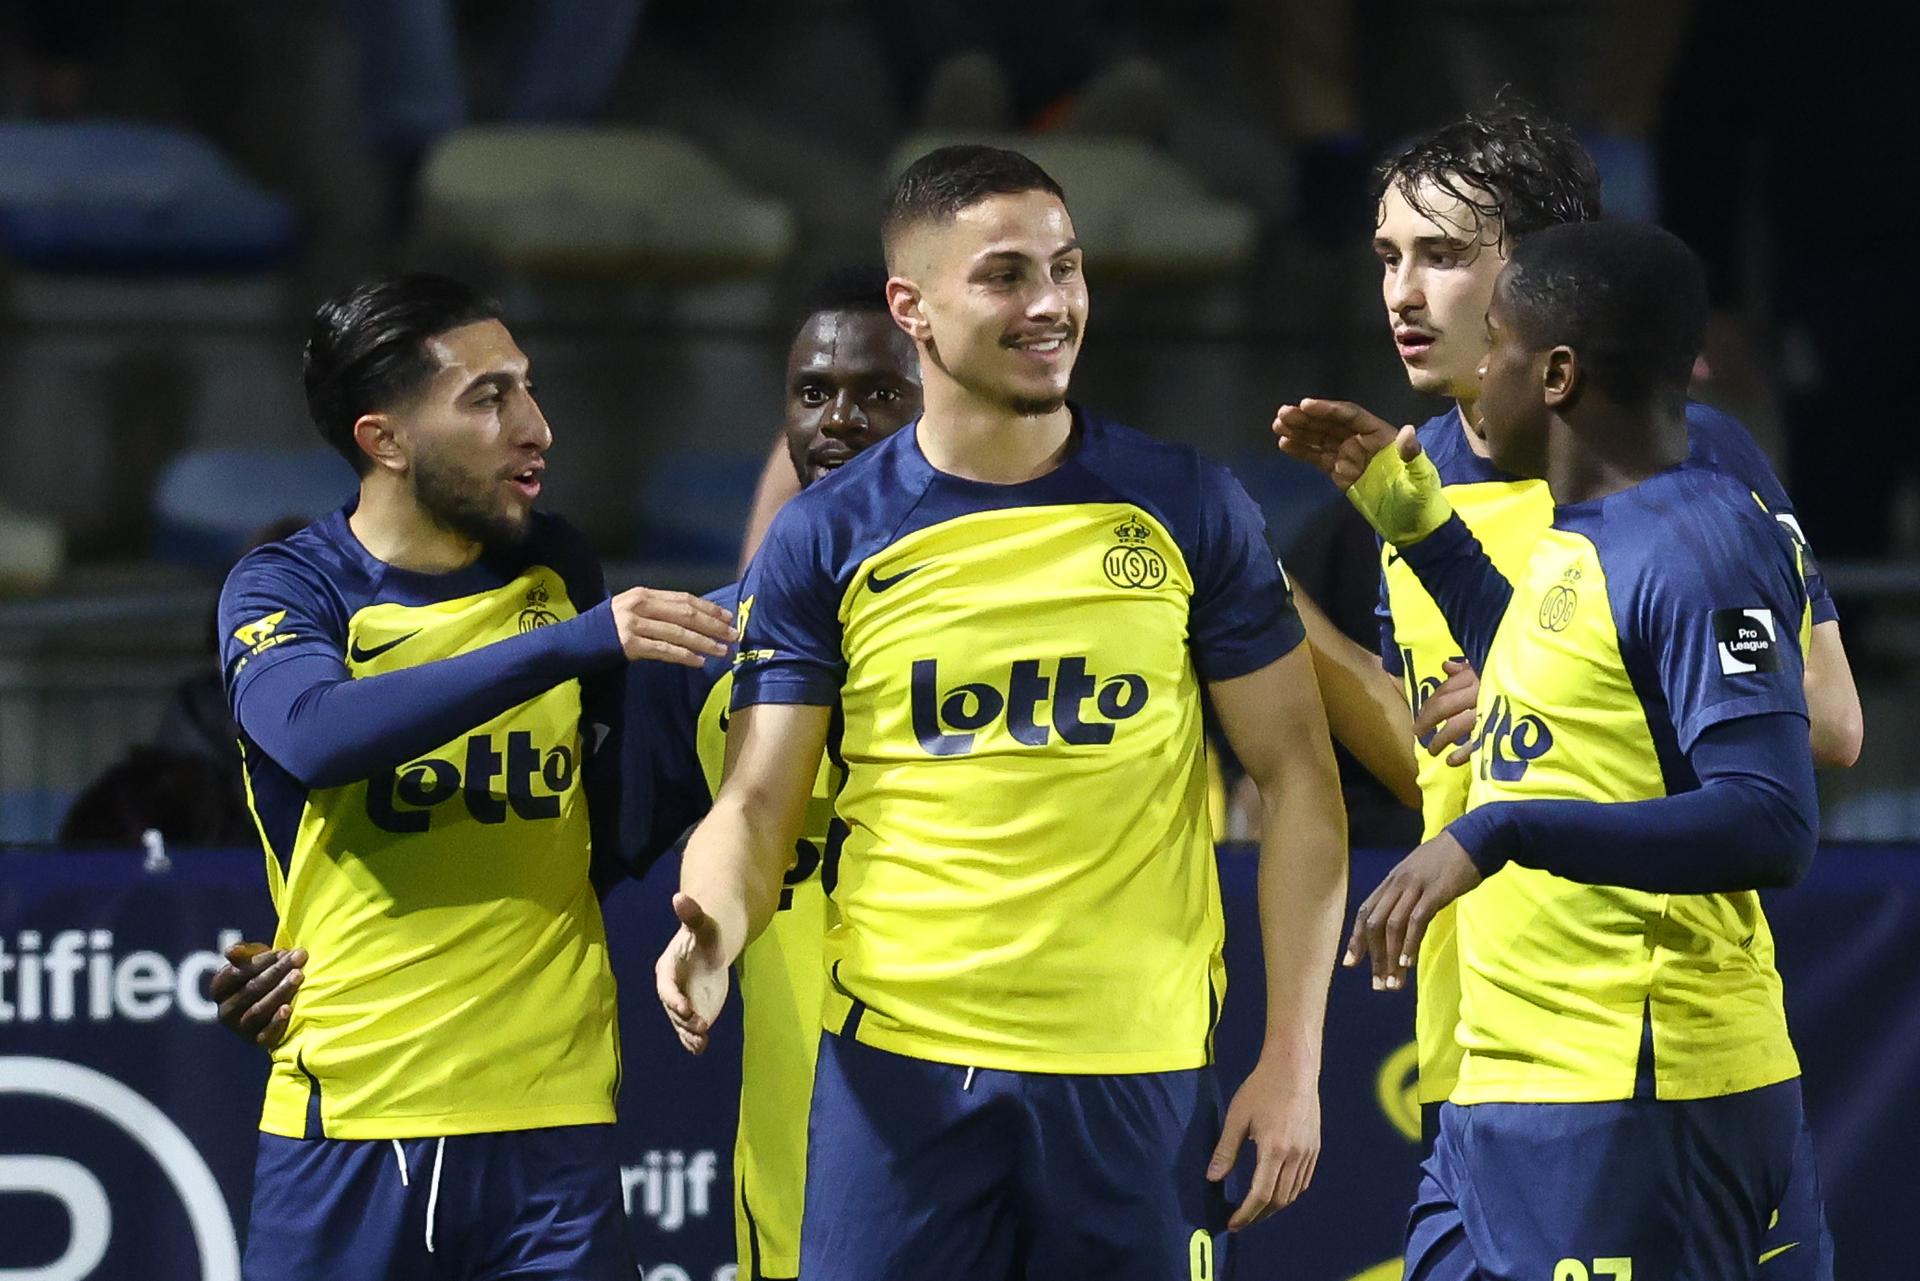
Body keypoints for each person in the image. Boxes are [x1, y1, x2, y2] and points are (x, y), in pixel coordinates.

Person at [656, 144, 1349, 1280]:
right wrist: (715, 929)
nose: (1051, 305)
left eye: (1067, 270)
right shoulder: (827, 536)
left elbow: (1298, 780)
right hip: (899, 1083)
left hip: (1140, 1078)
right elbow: (760, 798)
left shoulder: (1185, 503)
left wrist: (1293, 1056)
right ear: (911, 308)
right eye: (1007, 276)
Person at [211, 271, 924, 1281]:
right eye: (490, 396)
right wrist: (578, 645)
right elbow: (315, 736)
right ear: (386, 440)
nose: (537, 425)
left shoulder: (555, 568)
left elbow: (595, 829)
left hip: (555, 1126)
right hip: (356, 1117)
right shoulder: (290, 585)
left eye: (529, 386)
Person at [1280, 219, 1821, 1279]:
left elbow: (1773, 818)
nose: (1479, 372)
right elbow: (1560, 682)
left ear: (1559, 374)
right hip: (1506, 1084)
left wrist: (1502, 828)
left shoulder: (1697, 543)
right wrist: (1417, 525)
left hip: (1641, 1087)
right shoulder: (1586, 536)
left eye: (1500, 346)